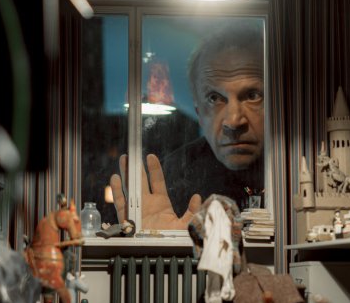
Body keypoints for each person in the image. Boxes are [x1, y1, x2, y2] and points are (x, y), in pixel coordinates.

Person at [110, 22, 264, 230]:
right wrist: (161, 241)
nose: (234, 121)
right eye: (214, 98)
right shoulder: (172, 179)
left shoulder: (292, 168)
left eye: (253, 96)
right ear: (199, 113)